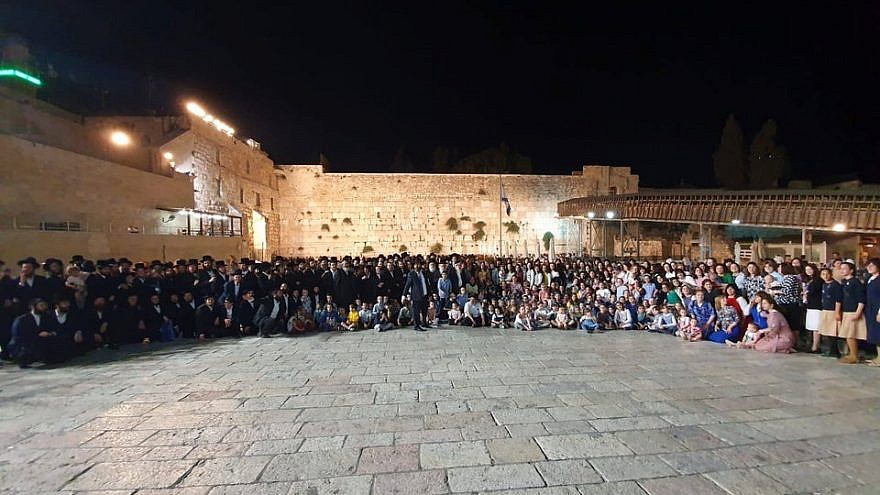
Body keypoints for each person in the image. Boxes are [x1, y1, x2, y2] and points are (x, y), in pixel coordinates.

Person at [8, 298, 57, 368]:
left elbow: (53, 330)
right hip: (26, 344)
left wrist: (49, 334)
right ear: (33, 307)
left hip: (41, 342)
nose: (43, 308)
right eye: (41, 305)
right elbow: (18, 336)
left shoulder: (47, 317)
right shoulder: (22, 319)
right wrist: (37, 335)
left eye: (44, 305)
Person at [838, 261, 867, 364]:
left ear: (851, 270)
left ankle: (854, 356)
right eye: (841, 268)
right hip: (846, 311)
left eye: (844, 268)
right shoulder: (844, 282)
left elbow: (861, 299)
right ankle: (852, 354)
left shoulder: (855, 282)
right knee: (847, 335)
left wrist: (858, 313)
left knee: (851, 335)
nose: (842, 270)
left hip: (853, 311)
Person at [401, 260, 430, 331]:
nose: (417, 266)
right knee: (416, 312)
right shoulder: (411, 274)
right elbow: (407, 285)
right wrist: (404, 295)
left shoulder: (424, 273)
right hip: (416, 296)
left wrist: (430, 294)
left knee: (424, 310)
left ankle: (424, 323)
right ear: (413, 266)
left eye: (418, 265)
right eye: (416, 265)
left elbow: (427, 284)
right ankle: (416, 325)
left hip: (425, 295)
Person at [803, 263, 823, 353]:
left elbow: (812, 291)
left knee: (816, 327)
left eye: (810, 269)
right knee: (811, 326)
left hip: (816, 305)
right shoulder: (809, 280)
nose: (808, 271)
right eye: (806, 270)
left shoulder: (818, 280)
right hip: (810, 305)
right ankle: (812, 345)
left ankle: (815, 346)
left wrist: (806, 293)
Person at [866, 258, 880, 366]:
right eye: (868, 265)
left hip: (877, 309)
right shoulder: (870, 278)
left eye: (872, 265)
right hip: (870, 309)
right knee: (875, 334)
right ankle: (878, 356)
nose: (869, 267)